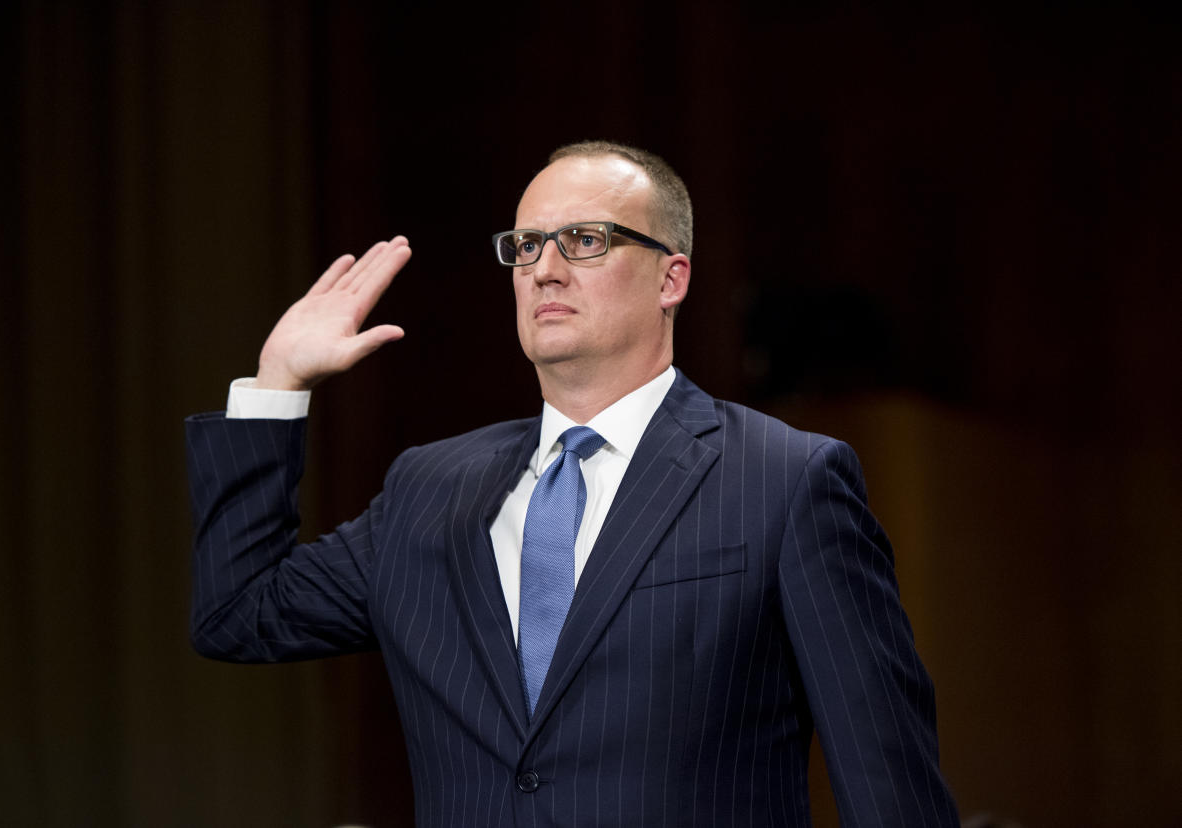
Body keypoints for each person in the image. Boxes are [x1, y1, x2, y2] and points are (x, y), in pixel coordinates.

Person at [186, 141, 960, 826]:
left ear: (672, 277)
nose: (545, 269)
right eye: (526, 246)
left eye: (585, 241)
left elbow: (883, 776)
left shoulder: (787, 479)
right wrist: (277, 384)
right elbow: (238, 614)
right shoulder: (429, 487)